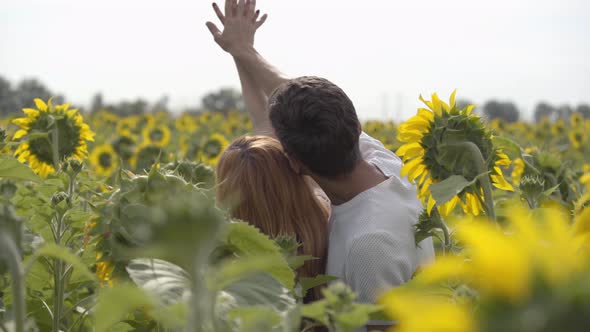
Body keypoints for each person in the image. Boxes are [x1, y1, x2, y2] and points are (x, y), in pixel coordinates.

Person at [207, 0, 435, 326]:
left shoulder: (368, 245)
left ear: (296, 164)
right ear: (356, 128)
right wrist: (243, 52)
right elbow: (286, 105)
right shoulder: (386, 165)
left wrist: (243, 52)